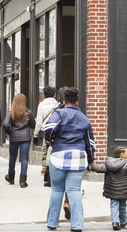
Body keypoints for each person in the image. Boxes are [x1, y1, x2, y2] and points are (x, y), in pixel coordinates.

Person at [44, 87, 95, 232]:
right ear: (77, 102)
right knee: (74, 191)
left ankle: (52, 223)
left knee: (56, 190)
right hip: (78, 157)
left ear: (64, 101)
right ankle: (77, 225)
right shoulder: (84, 118)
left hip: (59, 155)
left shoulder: (59, 113)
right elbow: (90, 143)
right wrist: (91, 159)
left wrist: (50, 140)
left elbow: (49, 128)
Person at [89, 146, 127, 231]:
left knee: (114, 205)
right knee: (123, 205)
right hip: (124, 191)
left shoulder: (109, 164)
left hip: (112, 190)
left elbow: (98, 168)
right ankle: (123, 222)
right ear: (122, 155)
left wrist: (89, 167)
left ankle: (115, 222)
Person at [3, 93, 36, 188]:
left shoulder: (11, 112)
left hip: (14, 137)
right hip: (25, 138)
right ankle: (23, 181)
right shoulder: (28, 112)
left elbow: (5, 124)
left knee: (12, 157)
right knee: (24, 158)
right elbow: (33, 125)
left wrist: (9, 132)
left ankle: (11, 177)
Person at [36, 86, 59, 187]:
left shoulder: (41, 105)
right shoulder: (57, 104)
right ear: (54, 94)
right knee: (53, 153)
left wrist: (35, 134)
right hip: (56, 131)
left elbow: (39, 122)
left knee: (45, 152)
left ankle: (46, 173)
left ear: (44, 94)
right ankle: (52, 175)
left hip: (45, 131)